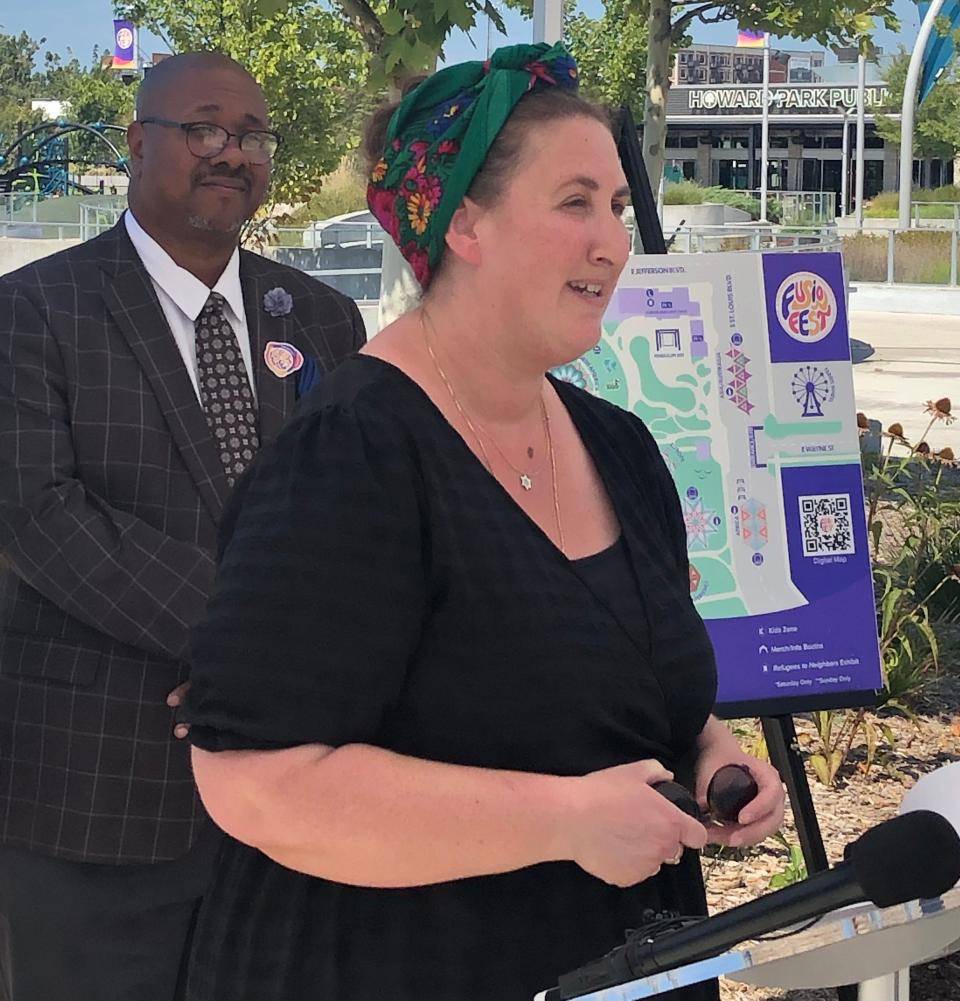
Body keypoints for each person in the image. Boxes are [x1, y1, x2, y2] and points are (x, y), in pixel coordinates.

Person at [183, 43, 785, 1001]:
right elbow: (253, 780)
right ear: (464, 222)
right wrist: (562, 819)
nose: (613, 240)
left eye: (620, 209)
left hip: (631, 961)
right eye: (576, 202)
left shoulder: (621, 446)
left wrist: (711, 754)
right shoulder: (352, 454)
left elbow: (628, 686)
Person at [0, 52, 365, 1001]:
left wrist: (305, 665)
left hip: (296, 799)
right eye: (203, 129)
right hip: (97, 793)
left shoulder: (325, 319)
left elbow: (360, 525)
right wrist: (246, 642)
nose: (231, 153)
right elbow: (37, 514)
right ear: (136, 144)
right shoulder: (31, 312)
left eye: (252, 136)